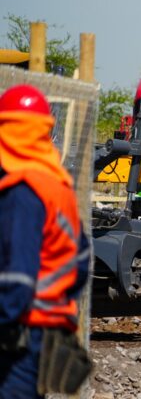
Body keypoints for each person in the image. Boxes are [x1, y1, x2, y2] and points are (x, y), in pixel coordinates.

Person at [0, 85, 90, 398]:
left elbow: (17, 279)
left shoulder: (22, 191)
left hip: (19, 335)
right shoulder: (57, 186)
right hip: (49, 332)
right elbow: (80, 264)